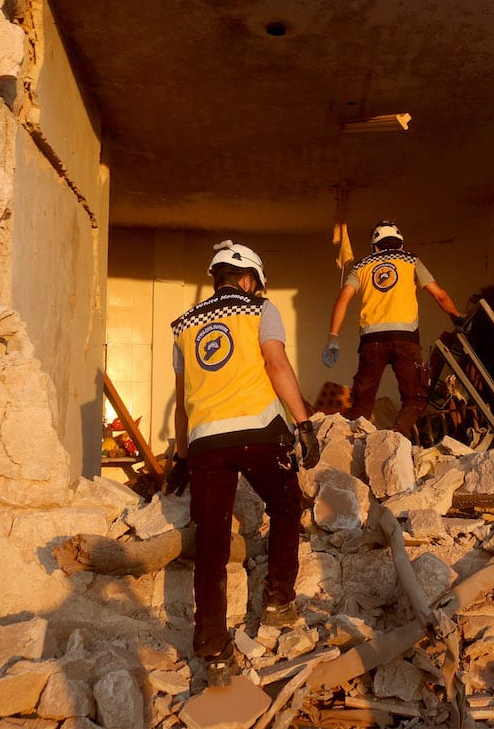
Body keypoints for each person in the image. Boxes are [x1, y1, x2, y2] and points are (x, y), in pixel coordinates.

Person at [171, 240, 320, 688]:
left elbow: (182, 404)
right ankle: (278, 601)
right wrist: (304, 423)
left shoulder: (183, 325)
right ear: (250, 280)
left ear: (216, 278)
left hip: (205, 443)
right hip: (259, 434)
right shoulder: (260, 310)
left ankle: (214, 650)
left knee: (212, 544)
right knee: (287, 507)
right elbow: (276, 364)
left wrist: (180, 456)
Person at [322, 220, 465, 438]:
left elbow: (343, 299)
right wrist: (458, 318)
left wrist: (333, 337)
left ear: (375, 247)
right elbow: (440, 295)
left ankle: (348, 446)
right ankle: (396, 436)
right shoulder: (410, 260)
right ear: (400, 245)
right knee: (415, 399)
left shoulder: (361, 266)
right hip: (406, 339)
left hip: (372, 342)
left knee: (362, 404)